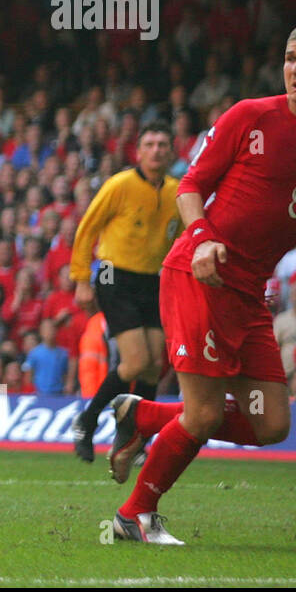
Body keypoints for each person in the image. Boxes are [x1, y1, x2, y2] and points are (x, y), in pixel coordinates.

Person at [109, 27, 296, 544]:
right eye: (290, 58)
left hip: (248, 294)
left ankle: (146, 414)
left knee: (272, 424)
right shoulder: (250, 116)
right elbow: (192, 183)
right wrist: (201, 240)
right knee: (202, 412)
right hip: (199, 275)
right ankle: (133, 517)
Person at [68, 122, 179, 463]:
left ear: (171, 150)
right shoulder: (120, 185)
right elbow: (88, 228)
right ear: (139, 151)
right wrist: (82, 278)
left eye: (163, 143)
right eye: (150, 143)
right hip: (115, 276)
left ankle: (131, 437)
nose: (157, 149)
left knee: (151, 368)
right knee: (137, 361)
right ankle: (87, 420)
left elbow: (186, 238)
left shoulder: (177, 191)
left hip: (152, 280)